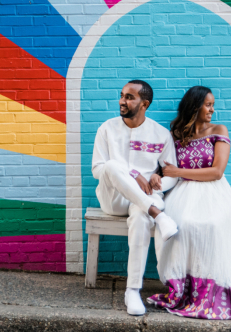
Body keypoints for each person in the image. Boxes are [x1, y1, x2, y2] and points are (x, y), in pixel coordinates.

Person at [147, 86, 231, 323]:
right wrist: (155, 174)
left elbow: (217, 172)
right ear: (194, 106)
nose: (212, 109)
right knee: (183, 225)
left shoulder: (219, 130)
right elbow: (163, 166)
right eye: (208, 105)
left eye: (212, 104)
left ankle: (215, 290)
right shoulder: (175, 134)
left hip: (214, 192)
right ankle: (186, 288)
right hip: (181, 193)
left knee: (214, 225)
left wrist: (179, 171)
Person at [91, 80, 179, 317]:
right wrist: (134, 174)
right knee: (110, 165)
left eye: (129, 97)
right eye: (122, 96)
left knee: (141, 216)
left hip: (144, 200)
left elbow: (172, 174)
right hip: (114, 200)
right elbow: (98, 170)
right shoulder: (106, 129)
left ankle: (132, 290)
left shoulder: (160, 134)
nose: (122, 101)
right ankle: (159, 215)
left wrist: (158, 180)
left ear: (144, 104)